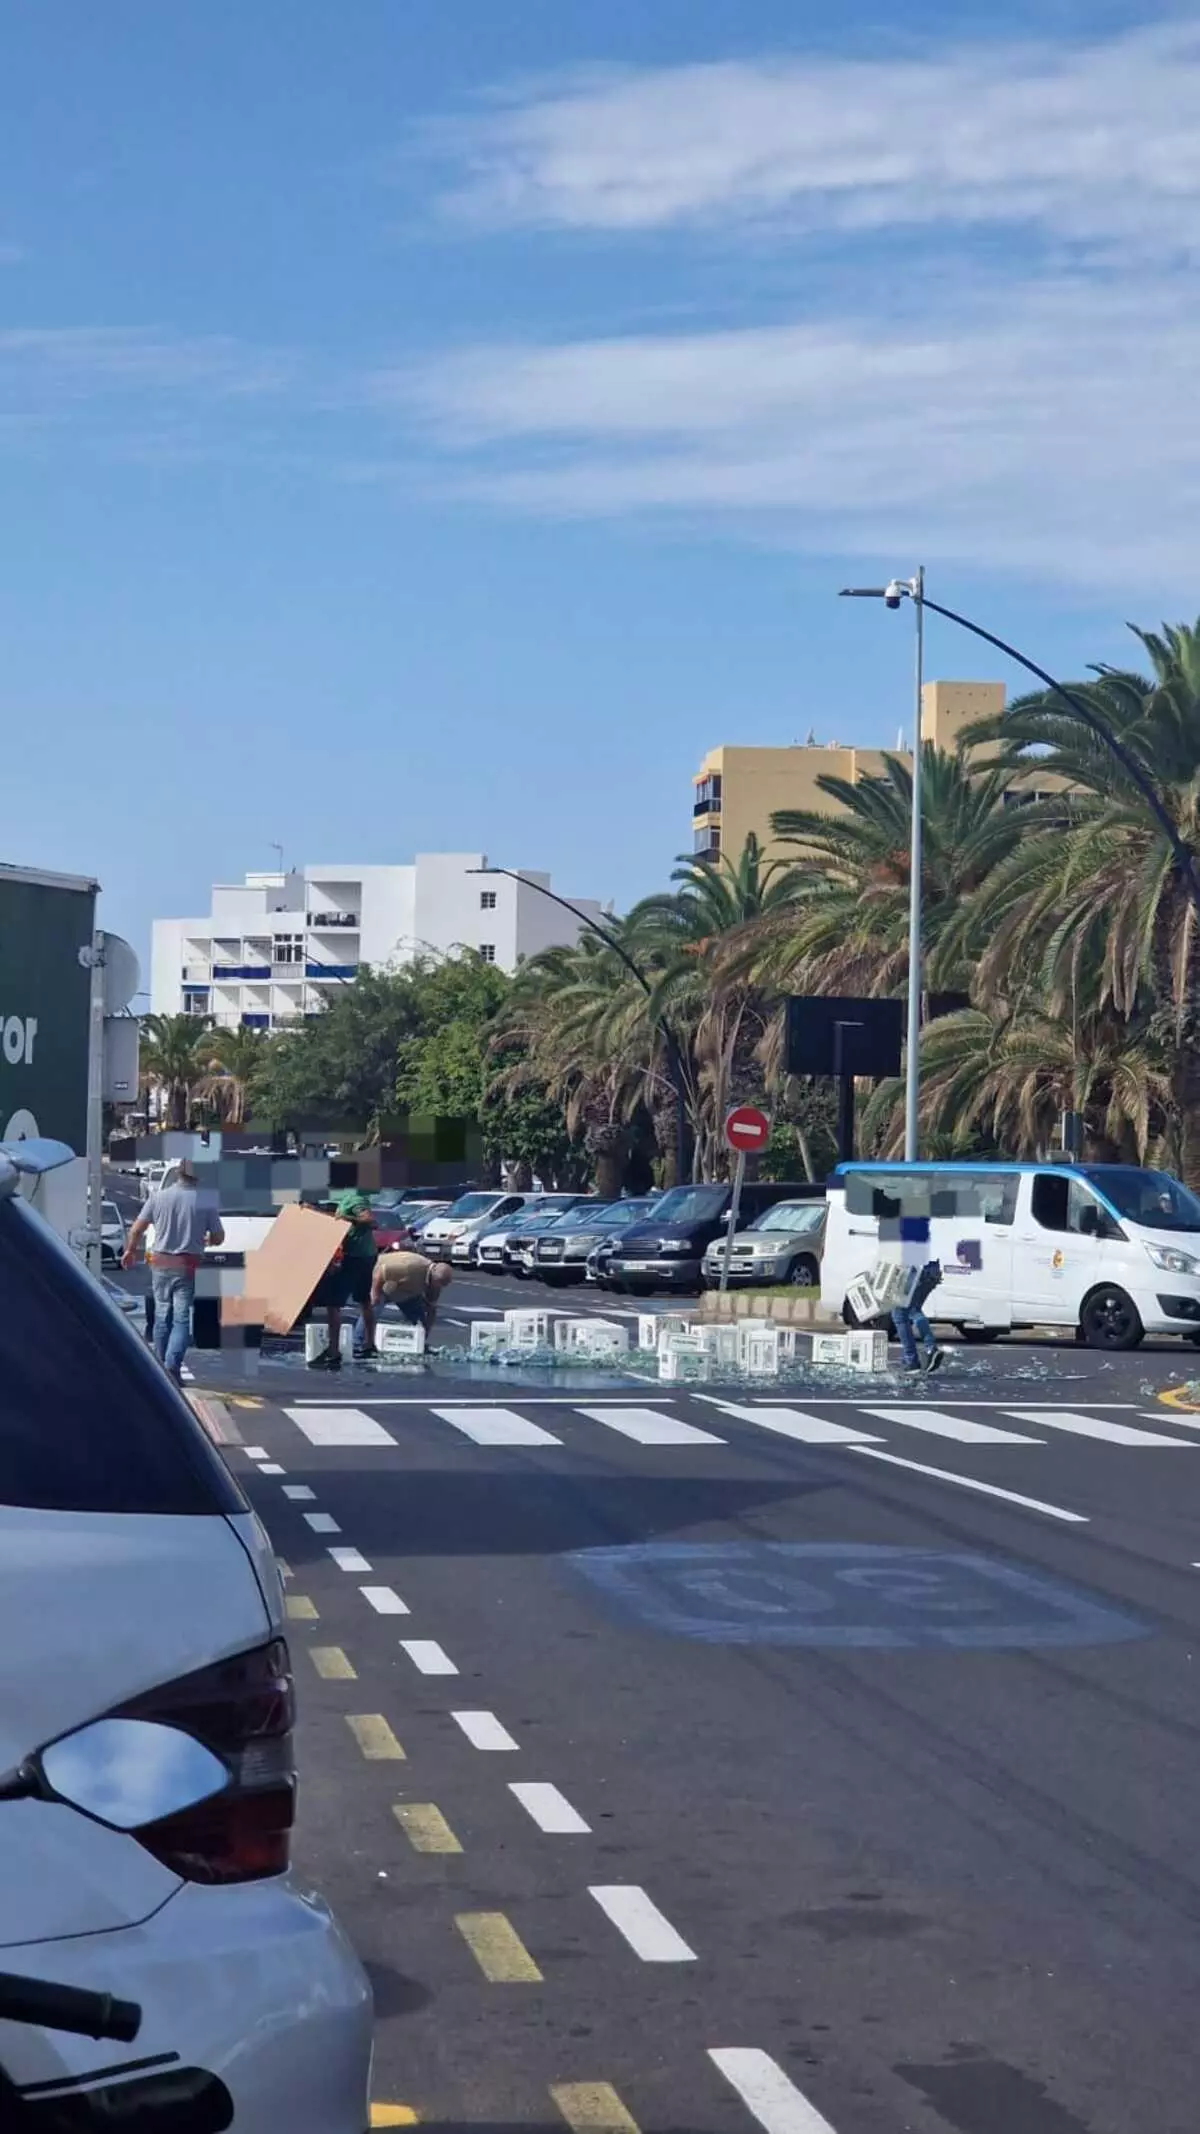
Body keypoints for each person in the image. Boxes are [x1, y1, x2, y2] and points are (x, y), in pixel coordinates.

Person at [122, 1157, 223, 1386]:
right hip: (186, 1265)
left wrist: (129, 1251)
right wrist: (207, 1239)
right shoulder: (205, 1201)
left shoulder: (158, 1197)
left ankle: (160, 1368)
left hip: (159, 1262)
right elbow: (219, 1236)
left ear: (178, 1172)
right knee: (181, 1319)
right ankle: (172, 1367)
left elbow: (137, 1229)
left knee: (161, 1316)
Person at [307, 1189, 380, 1371]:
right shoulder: (353, 1198)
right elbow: (336, 1219)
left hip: (354, 1257)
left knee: (333, 1304)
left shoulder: (353, 1199)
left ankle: (333, 1352)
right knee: (364, 1300)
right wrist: (315, 1211)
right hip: (367, 1255)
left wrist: (349, 1219)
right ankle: (369, 1345)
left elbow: (370, 1221)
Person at [886, 1215, 944, 1374]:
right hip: (932, 1269)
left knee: (899, 1313)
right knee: (912, 1310)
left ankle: (915, 1358)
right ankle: (919, 1354)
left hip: (917, 1269)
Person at [370, 1248, 453, 1339]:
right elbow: (379, 1273)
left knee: (419, 1321)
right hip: (379, 1280)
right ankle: (360, 1343)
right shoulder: (411, 1266)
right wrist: (375, 1294)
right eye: (440, 1284)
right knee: (373, 1310)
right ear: (434, 1278)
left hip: (404, 1290)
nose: (440, 1288)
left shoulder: (436, 1284)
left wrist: (425, 1333)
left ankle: (417, 1342)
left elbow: (431, 1309)